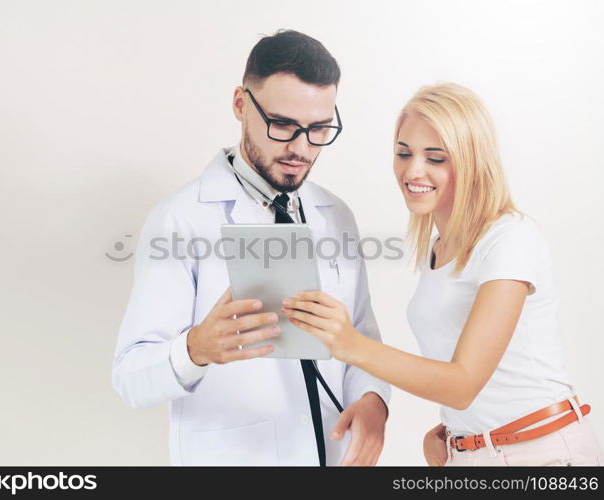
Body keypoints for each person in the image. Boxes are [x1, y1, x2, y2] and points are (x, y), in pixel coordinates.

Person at [281, 82, 603, 466]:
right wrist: (458, 441)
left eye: (436, 158)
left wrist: (349, 343)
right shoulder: (436, 249)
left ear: (471, 161)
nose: (412, 170)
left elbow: (463, 383)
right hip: (478, 454)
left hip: (541, 454)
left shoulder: (511, 238)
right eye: (404, 153)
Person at [111, 30, 390, 466]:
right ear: (241, 105)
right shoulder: (181, 220)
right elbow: (130, 379)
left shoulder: (336, 215)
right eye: (282, 125)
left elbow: (362, 340)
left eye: (318, 129)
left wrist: (374, 402)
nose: (301, 149)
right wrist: (196, 348)